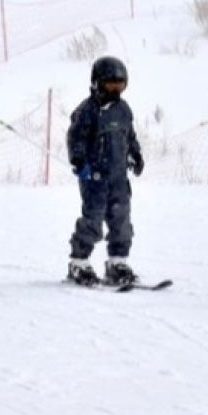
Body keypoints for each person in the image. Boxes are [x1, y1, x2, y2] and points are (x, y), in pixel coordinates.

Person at [65, 56, 145, 287]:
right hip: (95, 177)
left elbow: (130, 137)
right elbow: (76, 137)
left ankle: (117, 262)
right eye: (111, 84)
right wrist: (79, 160)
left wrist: (135, 155)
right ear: (97, 83)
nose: (115, 90)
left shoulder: (123, 110)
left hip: (119, 177)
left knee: (121, 220)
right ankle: (78, 262)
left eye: (120, 85)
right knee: (93, 219)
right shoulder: (88, 110)